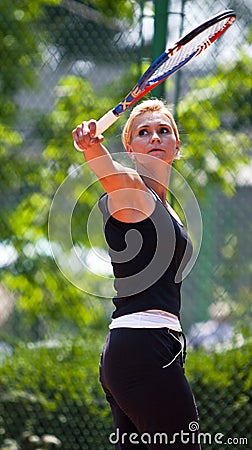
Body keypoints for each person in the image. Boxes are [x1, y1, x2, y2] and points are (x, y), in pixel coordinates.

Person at [72, 99, 201, 449]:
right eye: (143, 133)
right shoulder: (133, 193)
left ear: (177, 145)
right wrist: (92, 146)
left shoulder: (167, 207)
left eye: (164, 131)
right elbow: (111, 173)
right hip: (142, 349)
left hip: (142, 350)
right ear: (129, 148)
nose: (155, 137)